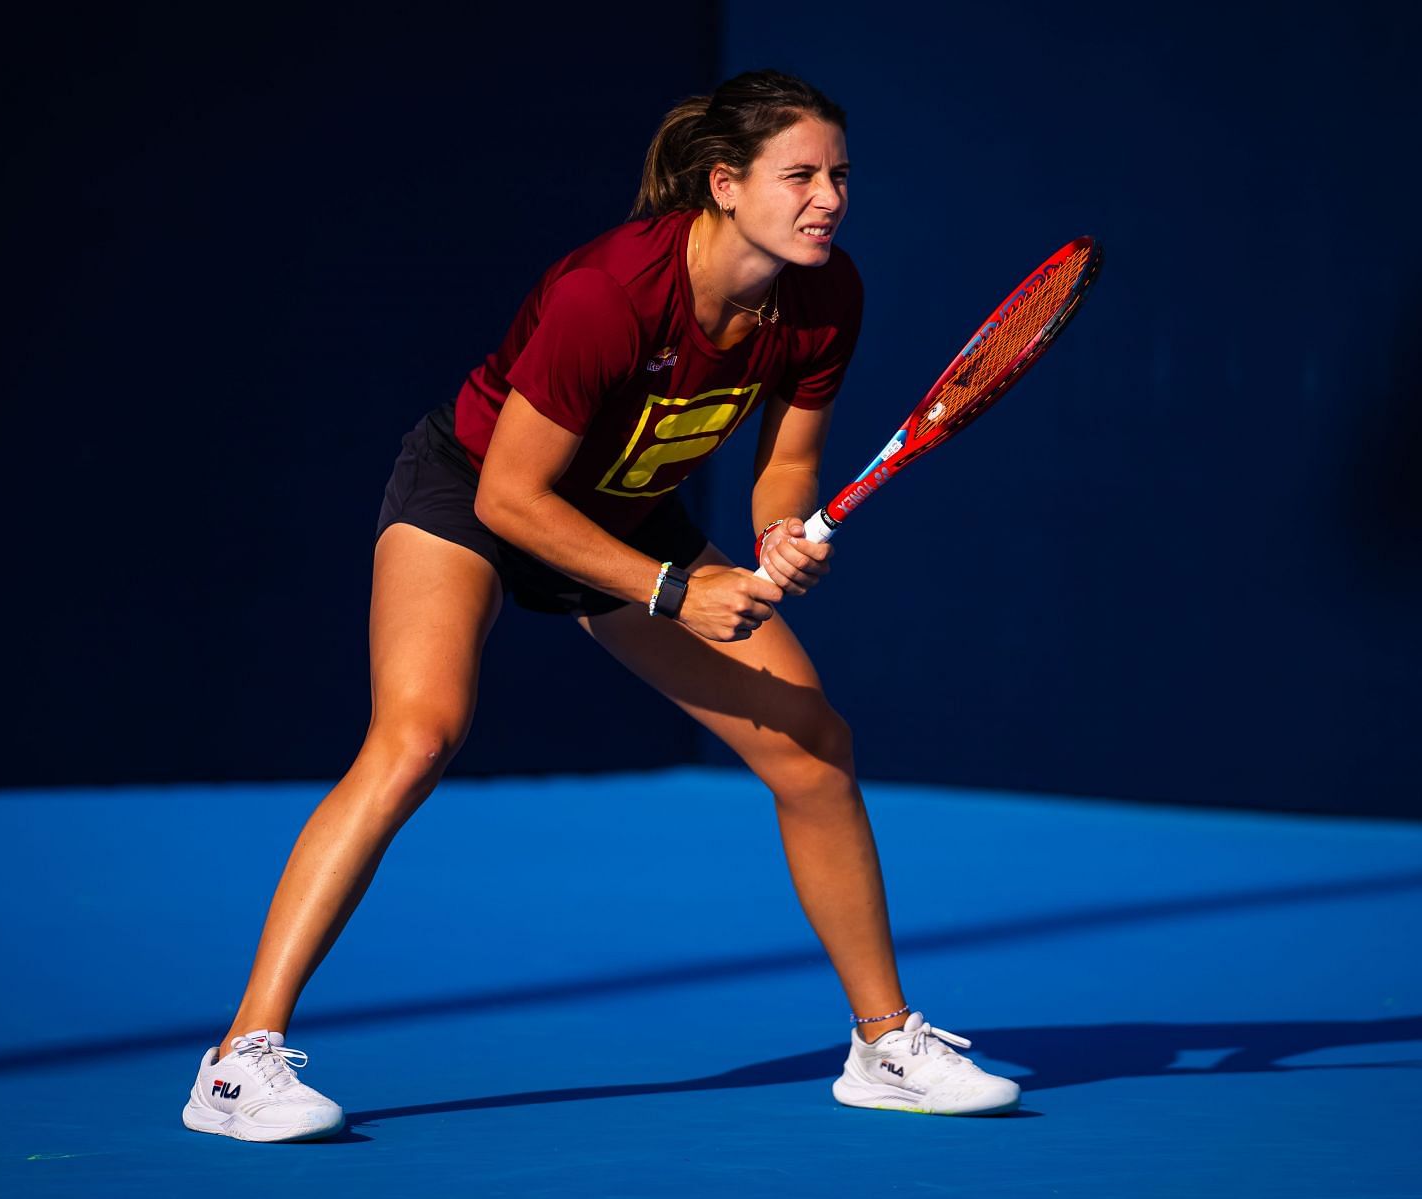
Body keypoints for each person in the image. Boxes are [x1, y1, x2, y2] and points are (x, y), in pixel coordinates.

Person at [180, 69, 1021, 1143]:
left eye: (841, 176)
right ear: (725, 183)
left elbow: (787, 463)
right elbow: (510, 498)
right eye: (800, 175)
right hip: (476, 495)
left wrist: (774, 534)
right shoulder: (609, 294)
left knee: (813, 743)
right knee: (416, 735)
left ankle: (883, 1043)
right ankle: (238, 1062)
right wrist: (678, 586)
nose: (829, 198)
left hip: (631, 506)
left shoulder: (825, 295)